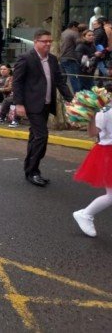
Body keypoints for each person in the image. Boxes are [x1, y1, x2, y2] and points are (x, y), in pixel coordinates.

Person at [13, 29, 74, 187]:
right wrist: (18, 104)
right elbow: (17, 82)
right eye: (44, 41)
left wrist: (72, 100)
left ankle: (29, 169)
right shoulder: (26, 58)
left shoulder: (52, 59)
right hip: (32, 104)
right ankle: (33, 171)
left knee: (35, 137)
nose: (48, 44)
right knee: (42, 137)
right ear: (35, 42)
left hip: (47, 104)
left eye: (50, 41)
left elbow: (60, 81)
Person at [72, 89, 112, 237]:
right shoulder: (104, 112)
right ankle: (86, 214)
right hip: (108, 151)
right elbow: (93, 133)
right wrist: (91, 115)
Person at [60, 21, 81, 93]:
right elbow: (79, 45)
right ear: (74, 27)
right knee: (74, 78)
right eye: (77, 28)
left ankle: (63, 95)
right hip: (70, 57)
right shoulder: (74, 33)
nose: (78, 30)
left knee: (63, 79)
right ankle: (78, 95)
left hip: (62, 57)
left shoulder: (63, 33)